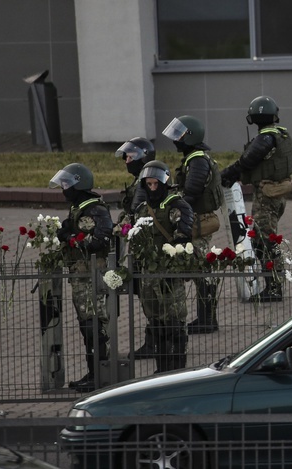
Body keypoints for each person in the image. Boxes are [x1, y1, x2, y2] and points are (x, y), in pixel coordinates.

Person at [220, 96, 292, 302]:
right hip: (277, 194)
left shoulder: (265, 138)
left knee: (264, 241)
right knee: (267, 238)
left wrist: (227, 174)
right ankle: (273, 285)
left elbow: (247, 160)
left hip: (266, 196)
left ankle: (274, 287)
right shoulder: (280, 134)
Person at [49, 163, 113, 393]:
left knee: (93, 326)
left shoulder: (95, 209)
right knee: (87, 326)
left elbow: (102, 240)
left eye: (67, 184)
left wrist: (71, 238)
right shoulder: (80, 208)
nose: (64, 189)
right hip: (81, 275)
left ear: (80, 183)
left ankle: (100, 375)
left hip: (91, 276)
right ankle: (94, 372)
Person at [162, 115, 224, 334]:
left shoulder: (197, 161)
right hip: (198, 218)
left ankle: (207, 319)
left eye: (179, 134)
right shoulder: (194, 158)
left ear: (190, 136)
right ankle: (206, 318)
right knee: (200, 268)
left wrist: (173, 210)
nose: (175, 139)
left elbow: (191, 193)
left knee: (201, 268)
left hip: (200, 220)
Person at [132, 160, 194, 373]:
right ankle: (161, 370)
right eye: (148, 184)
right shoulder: (142, 209)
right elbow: (133, 240)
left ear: (164, 183)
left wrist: (172, 267)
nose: (152, 188)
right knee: (156, 323)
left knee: (174, 323)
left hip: (169, 276)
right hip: (148, 277)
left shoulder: (177, 206)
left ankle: (177, 370)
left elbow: (183, 237)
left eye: (155, 184)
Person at [114, 137, 157, 359]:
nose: (126, 161)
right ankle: (155, 341)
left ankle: (156, 343)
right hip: (140, 245)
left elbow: (139, 214)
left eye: (130, 157)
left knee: (150, 295)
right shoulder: (142, 180)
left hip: (147, 248)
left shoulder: (147, 183)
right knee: (145, 293)